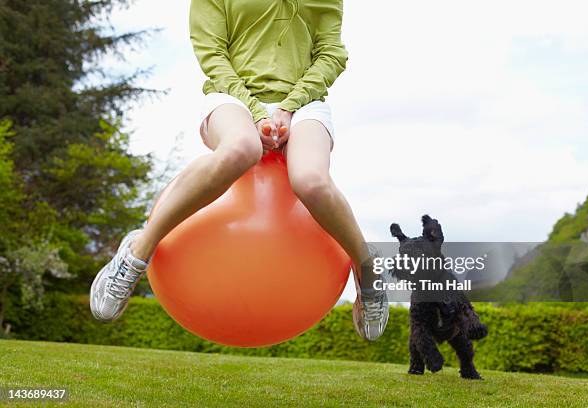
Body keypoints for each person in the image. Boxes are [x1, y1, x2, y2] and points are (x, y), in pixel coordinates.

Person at [90, 0, 389, 341]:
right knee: (241, 148)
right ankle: (135, 254)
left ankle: (367, 269)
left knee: (310, 180)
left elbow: (331, 53)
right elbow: (213, 55)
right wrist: (256, 112)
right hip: (232, 99)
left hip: (305, 104)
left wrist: (290, 106)